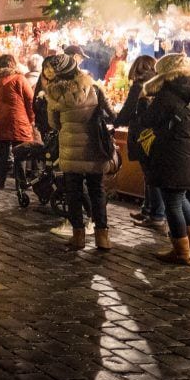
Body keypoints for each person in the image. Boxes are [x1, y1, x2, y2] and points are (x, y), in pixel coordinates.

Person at [137, 54, 190, 264]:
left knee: (173, 204)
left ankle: (181, 252)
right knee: (181, 197)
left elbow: (148, 120)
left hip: (172, 153)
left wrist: (142, 104)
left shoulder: (167, 93)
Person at [46, 54, 116, 251]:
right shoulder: (94, 88)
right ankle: (102, 237)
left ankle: (78, 236)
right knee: (97, 191)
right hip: (94, 146)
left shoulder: (55, 94)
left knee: (73, 192)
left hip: (70, 149)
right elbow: (111, 113)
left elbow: (54, 124)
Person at [114, 56, 164, 235]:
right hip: (155, 134)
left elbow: (128, 110)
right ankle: (148, 210)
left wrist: (115, 122)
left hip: (143, 135)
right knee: (150, 173)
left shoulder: (139, 86)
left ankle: (156, 215)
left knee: (151, 174)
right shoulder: (159, 82)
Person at [0, 54, 35, 190]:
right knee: (20, 153)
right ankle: (21, 184)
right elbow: (30, 100)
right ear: (13, 64)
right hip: (19, 121)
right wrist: (31, 118)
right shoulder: (20, 79)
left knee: (1, 153)